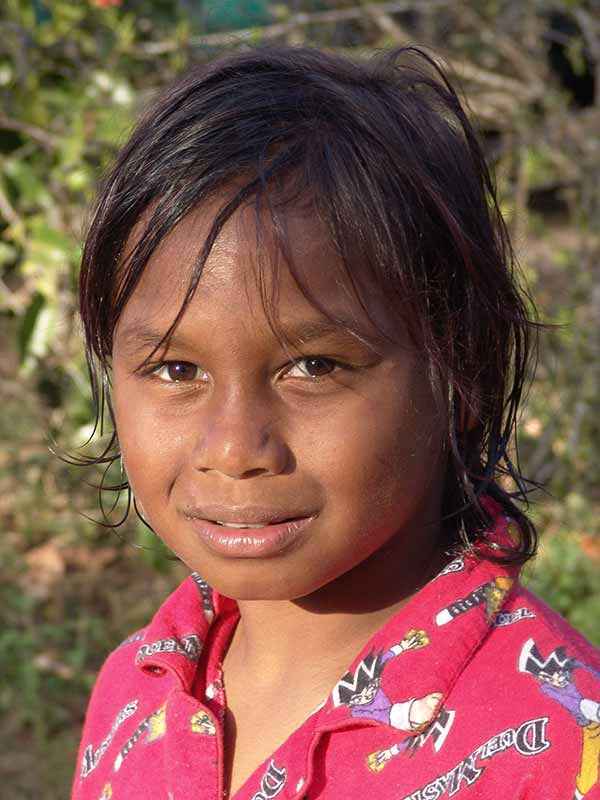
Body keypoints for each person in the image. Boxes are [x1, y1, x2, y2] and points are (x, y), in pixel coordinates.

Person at [70, 45, 600, 800]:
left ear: (462, 374)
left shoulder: (557, 751)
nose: (235, 448)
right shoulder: (135, 690)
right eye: (177, 371)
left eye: (314, 367)